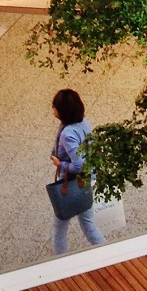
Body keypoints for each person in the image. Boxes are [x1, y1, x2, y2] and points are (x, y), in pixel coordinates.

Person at [50, 88, 105, 254]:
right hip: (86, 181)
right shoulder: (84, 123)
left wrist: (60, 164)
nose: (52, 109)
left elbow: (78, 164)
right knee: (88, 225)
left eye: (54, 106)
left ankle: (60, 264)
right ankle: (109, 254)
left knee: (59, 229)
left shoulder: (67, 133)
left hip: (72, 183)